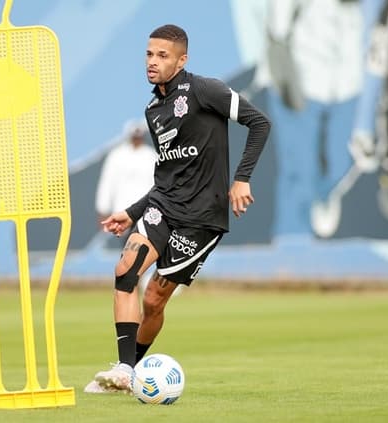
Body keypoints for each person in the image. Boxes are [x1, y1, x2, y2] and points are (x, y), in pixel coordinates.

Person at [84, 24, 271, 394]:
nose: (153, 62)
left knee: (154, 300)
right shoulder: (153, 109)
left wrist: (242, 178)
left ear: (182, 60)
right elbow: (167, 174)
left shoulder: (205, 90)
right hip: (164, 206)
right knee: (126, 271)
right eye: (149, 54)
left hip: (202, 218)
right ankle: (123, 370)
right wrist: (133, 211)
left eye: (162, 56)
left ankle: (135, 367)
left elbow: (259, 123)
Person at [95, 120, 156, 242]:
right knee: (128, 247)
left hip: (145, 210)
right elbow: (107, 183)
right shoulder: (117, 156)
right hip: (123, 210)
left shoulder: (151, 156)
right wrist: (103, 209)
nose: (136, 139)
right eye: (134, 136)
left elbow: (157, 184)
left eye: (138, 136)